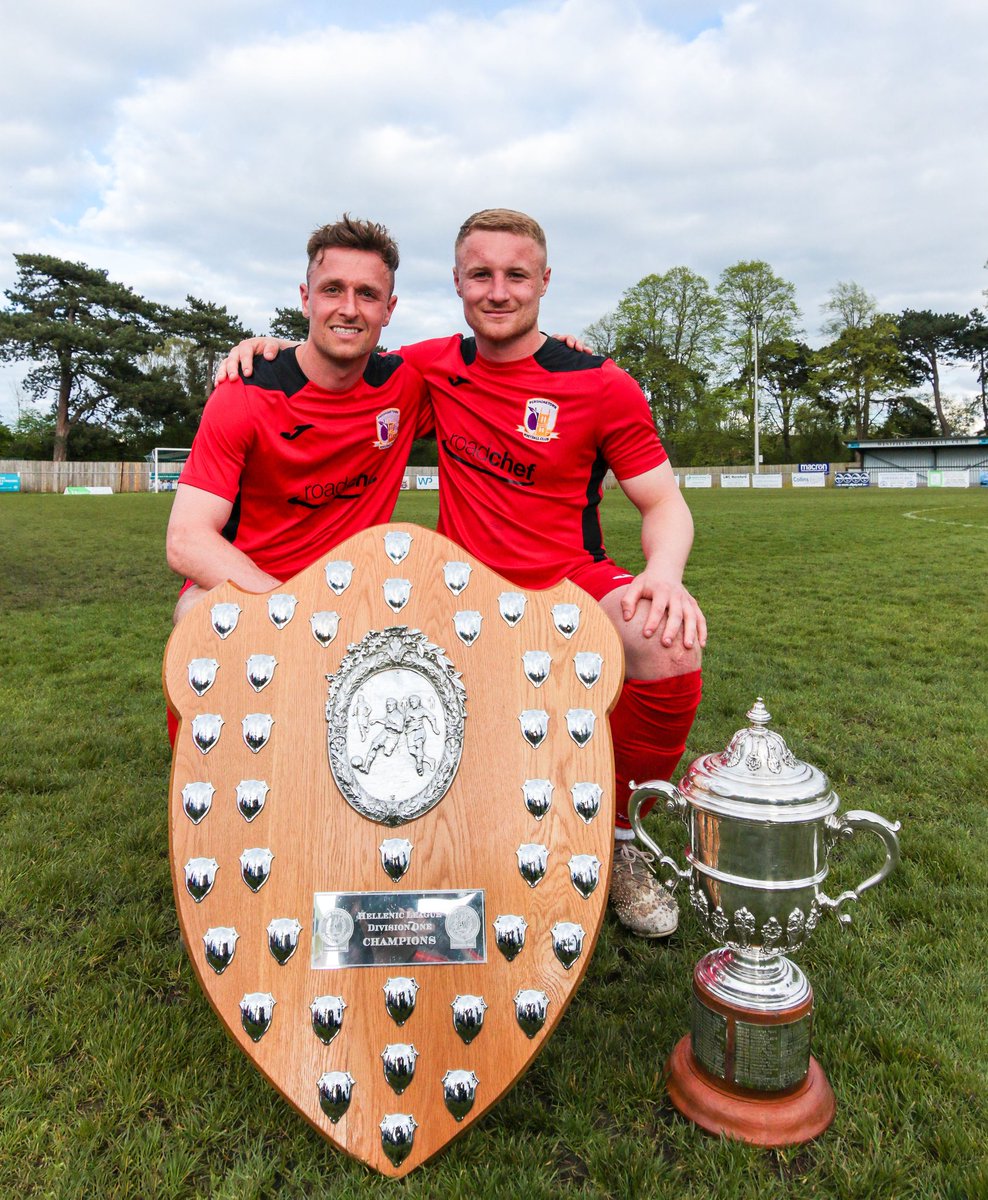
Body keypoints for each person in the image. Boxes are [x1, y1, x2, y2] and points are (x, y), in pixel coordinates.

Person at [219, 209, 705, 939]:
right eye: (482, 274)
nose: (498, 291)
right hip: (458, 594)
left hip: (567, 582)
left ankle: (621, 837)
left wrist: (664, 572)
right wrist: (271, 349)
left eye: (516, 275)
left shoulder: (601, 384)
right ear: (456, 283)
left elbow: (663, 499)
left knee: (668, 644)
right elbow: (342, 352)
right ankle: (270, 833)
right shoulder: (429, 367)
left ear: (545, 281)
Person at [166, 215, 430, 626]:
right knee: (198, 611)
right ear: (306, 299)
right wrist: (292, 611)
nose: (349, 308)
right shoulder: (245, 391)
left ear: (389, 309)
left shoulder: (408, 386)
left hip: (352, 594)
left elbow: (502, 372)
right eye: (332, 290)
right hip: (256, 590)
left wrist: (560, 349)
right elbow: (187, 540)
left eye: (367, 294)